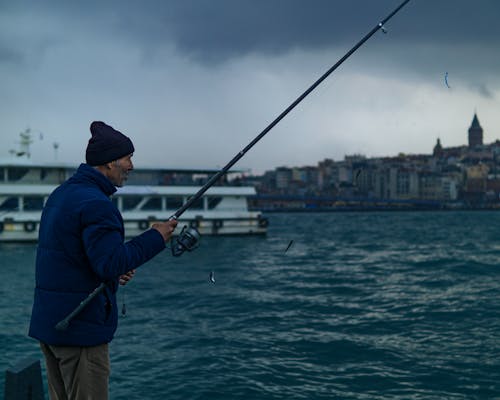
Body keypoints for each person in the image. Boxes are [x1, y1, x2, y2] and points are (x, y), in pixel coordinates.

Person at [29, 121, 178, 400]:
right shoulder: (98, 204)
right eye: (127, 158)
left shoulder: (62, 194)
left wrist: (112, 272)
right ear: (110, 163)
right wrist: (156, 237)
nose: (131, 165)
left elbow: (71, 257)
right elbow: (109, 263)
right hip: (79, 330)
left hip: (51, 324)